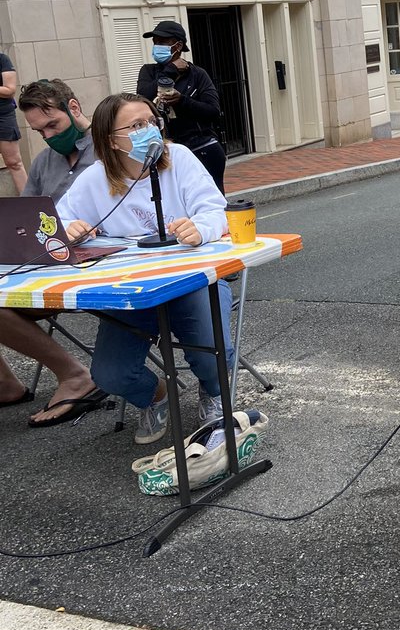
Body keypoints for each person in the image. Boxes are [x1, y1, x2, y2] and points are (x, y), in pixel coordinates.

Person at [57, 93, 233, 445]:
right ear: (111, 139)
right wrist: (69, 230)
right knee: (110, 375)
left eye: (151, 122)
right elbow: (56, 221)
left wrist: (201, 228)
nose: (148, 130)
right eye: (136, 126)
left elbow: (215, 211)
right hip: (131, 292)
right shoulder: (95, 178)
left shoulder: (179, 158)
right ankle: (155, 395)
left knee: (212, 349)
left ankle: (215, 393)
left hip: (191, 281)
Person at [0, 79, 107, 427]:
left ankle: (75, 376)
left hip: (96, 263)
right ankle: (6, 384)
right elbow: (24, 218)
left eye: (52, 125)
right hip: (48, 261)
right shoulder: (46, 161)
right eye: (38, 131)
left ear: (73, 108)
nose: (47, 136)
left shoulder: (108, 150)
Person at [135, 20, 227, 192]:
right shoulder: (148, 71)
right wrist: (170, 70)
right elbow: (142, 99)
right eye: (155, 42)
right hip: (167, 152)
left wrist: (182, 101)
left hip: (201, 147)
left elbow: (213, 111)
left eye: (162, 42)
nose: (157, 46)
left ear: (178, 46)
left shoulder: (197, 74)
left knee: (210, 199)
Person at [0, 49, 27, 193]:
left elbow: (10, 90)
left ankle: (31, 203)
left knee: (14, 162)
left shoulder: (2, 59)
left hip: (3, 116)